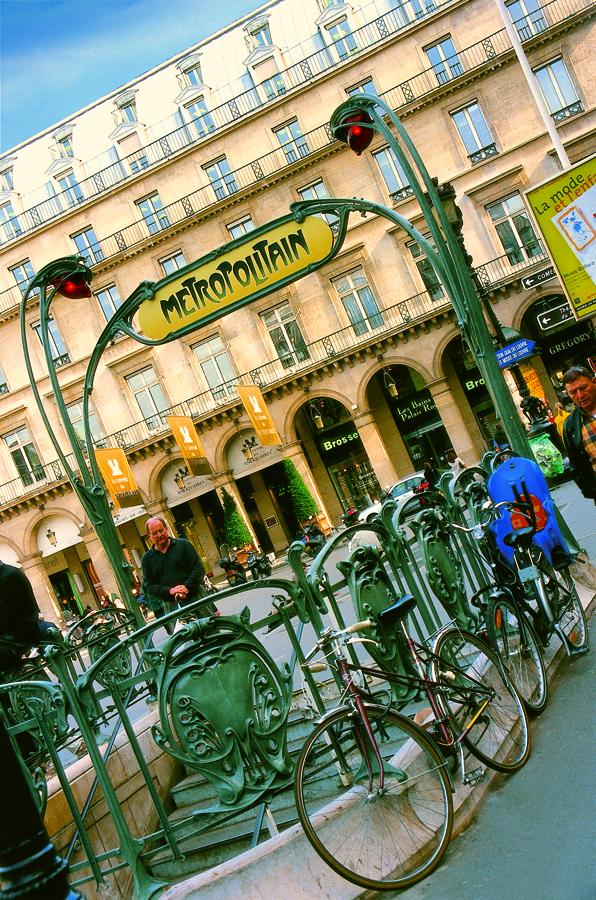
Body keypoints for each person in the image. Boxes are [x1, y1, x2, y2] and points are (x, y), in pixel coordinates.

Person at [141, 516, 217, 633]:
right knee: (182, 642)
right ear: (149, 536)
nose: (159, 535)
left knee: (211, 632)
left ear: (166, 529)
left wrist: (186, 587)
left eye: (161, 530)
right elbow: (149, 586)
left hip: (196, 597)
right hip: (171, 605)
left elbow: (198, 569)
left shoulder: (184, 545)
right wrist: (170, 591)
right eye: (154, 533)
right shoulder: (147, 559)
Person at [561, 366, 596, 503]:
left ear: (594, 381)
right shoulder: (571, 426)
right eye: (573, 392)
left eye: (583, 388)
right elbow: (576, 466)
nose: (580, 396)